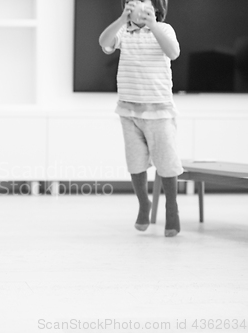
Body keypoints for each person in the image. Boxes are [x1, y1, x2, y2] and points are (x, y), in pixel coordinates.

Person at [99, 0, 183, 237]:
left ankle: (171, 208)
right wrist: (120, 20)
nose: (134, 5)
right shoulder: (123, 32)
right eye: (129, 2)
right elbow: (104, 42)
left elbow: (174, 52)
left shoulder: (164, 30)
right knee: (135, 162)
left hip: (159, 110)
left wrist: (153, 25)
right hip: (128, 110)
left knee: (166, 162)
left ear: (155, 7)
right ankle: (144, 203)